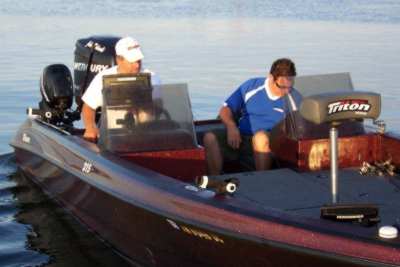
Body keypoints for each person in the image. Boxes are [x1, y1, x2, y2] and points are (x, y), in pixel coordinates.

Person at [203, 58, 302, 175]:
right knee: (209, 137)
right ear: (271, 77)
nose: (286, 91)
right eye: (282, 87)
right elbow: (226, 109)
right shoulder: (251, 86)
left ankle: (262, 180)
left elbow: (298, 129)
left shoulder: (295, 99)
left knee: (260, 138)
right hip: (240, 138)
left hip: (269, 141)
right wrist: (231, 127)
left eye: (290, 86)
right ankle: (215, 182)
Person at [81, 36, 160, 141]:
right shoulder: (103, 77)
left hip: (146, 134)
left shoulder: (152, 77)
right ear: (119, 60)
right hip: (113, 136)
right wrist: (90, 127)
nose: (137, 65)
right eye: (132, 61)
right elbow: (88, 107)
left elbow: (160, 106)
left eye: (139, 60)